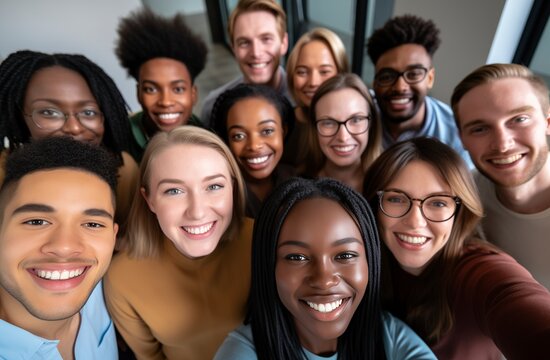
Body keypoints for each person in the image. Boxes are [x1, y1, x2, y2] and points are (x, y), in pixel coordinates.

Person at [363, 137, 550, 359]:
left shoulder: (480, 271)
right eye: (396, 199)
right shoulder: (363, 262)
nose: (415, 221)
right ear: (374, 205)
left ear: (460, 212)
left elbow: (519, 302)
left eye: (438, 203)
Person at [214, 177, 436, 360]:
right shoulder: (241, 352)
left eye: (345, 255)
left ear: (370, 261)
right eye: (296, 257)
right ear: (268, 266)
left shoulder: (390, 336)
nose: (324, 280)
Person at [104, 126, 253, 360]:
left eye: (214, 186)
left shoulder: (264, 243)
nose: (197, 212)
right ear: (149, 200)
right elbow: (150, 358)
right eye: (174, 191)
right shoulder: (121, 278)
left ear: (233, 189)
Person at [0, 136, 119, 359]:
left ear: (113, 238)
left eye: (92, 224)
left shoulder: (101, 287)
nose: (64, 247)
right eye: (36, 222)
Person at [0, 50, 139, 225]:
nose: (73, 128)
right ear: (20, 116)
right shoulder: (3, 170)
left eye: (89, 112)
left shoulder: (124, 170)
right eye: (49, 112)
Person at [451, 63, 550, 290]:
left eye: (519, 119)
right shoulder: (462, 195)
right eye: (480, 129)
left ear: (547, 122)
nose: (503, 145)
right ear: (462, 139)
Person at [366, 15, 473, 168]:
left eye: (414, 74)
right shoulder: (358, 114)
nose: (400, 87)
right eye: (387, 76)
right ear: (375, 82)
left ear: (430, 78)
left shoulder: (455, 136)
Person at [115, 7, 208, 161]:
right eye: (151, 89)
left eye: (178, 89)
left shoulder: (203, 132)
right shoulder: (119, 142)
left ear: (193, 94)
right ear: (138, 93)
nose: (165, 101)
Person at [200, 0, 292, 127]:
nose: (256, 53)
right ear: (233, 48)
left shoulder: (305, 101)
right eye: (244, 42)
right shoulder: (214, 107)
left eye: (266, 39)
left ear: (284, 43)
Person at [211, 84, 295, 218]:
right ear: (227, 140)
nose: (254, 146)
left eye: (267, 131)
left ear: (283, 131)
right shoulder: (218, 195)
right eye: (239, 136)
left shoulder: (300, 181)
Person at [304, 73, 381, 193]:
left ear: (371, 124)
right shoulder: (299, 189)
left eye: (356, 120)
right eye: (328, 122)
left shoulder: (389, 184)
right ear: (314, 127)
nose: (343, 137)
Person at [283, 27, 349, 167]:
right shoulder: (282, 125)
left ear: (341, 74)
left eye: (324, 71)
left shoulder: (357, 125)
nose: (313, 82)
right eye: (302, 72)